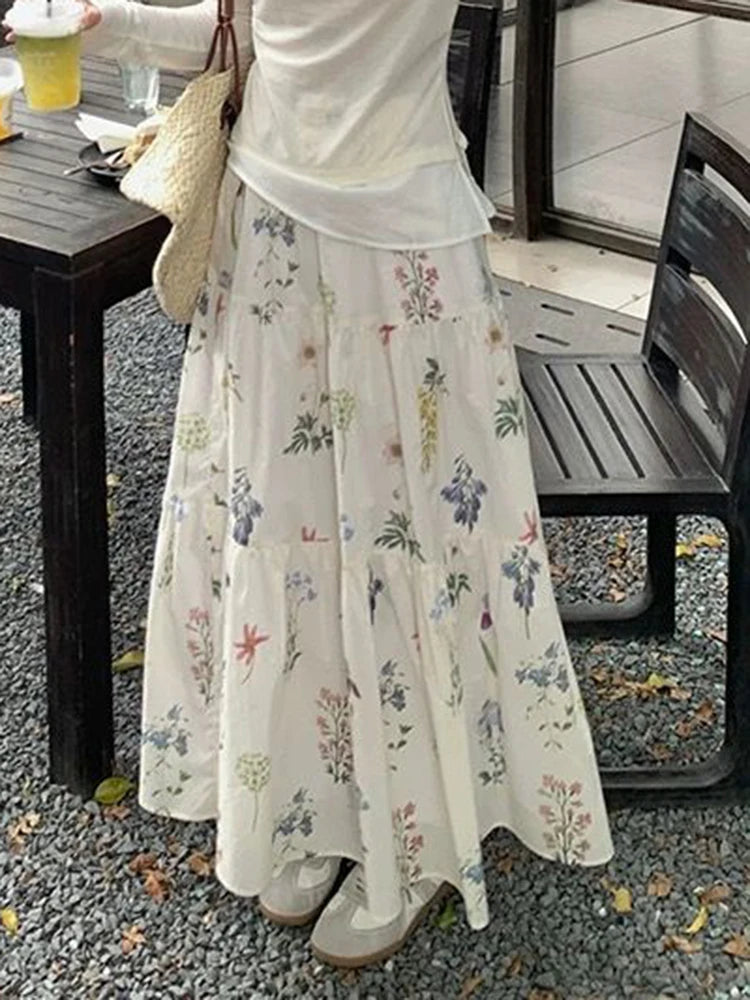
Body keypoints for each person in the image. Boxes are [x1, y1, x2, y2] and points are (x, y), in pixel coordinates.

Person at [57, 0, 613, 967]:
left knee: (410, 539)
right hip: (269, 241)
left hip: (402, 256)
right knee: (283, 530)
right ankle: (308, 798)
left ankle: (415, 834)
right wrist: (103, 25)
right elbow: (245, 37)